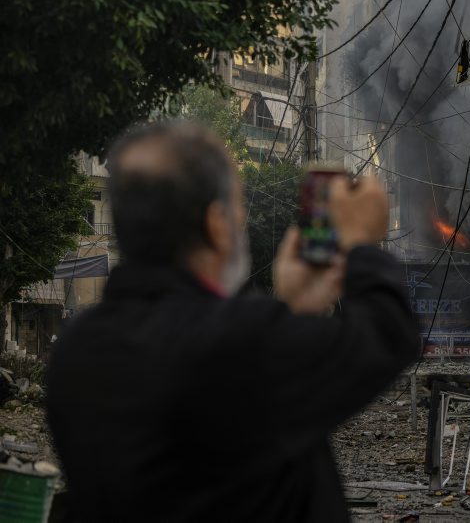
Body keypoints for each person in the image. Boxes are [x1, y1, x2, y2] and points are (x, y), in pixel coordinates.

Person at [46, 121, 420, 522]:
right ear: (216, 223)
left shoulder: (76, 351)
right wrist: (362, 244)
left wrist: (296, 311)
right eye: (237, 206)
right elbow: (388, 333)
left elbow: (245, 428)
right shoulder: (237, 341)